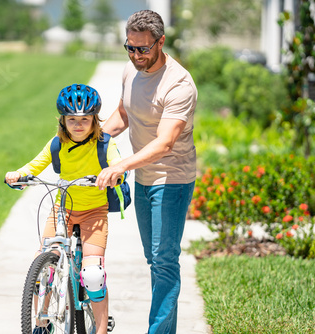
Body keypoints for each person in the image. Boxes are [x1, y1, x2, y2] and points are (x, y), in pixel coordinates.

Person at [95, 9, 198, 334]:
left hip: (172, 179)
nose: (137, 55)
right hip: (144, 177)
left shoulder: (179, 84)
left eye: (144, 49)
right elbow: (124, 114)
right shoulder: (131, 70)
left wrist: (121, 164)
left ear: (160, 42)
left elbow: (165, 142)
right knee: (154, 258)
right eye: (130, 47)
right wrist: (90, 139)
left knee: (164, 261)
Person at [5, 84, 122, 334]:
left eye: (84, 119)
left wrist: (113, 174)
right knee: (42, 269)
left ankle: (100, 329)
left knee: (93, 275)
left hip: (94, 212)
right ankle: (42, 323)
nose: (78, 125)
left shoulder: (104, 143)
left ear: (94, 120)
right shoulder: (57, 143)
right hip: (63, 209)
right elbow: (35, 165)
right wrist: (19, 174)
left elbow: (117, 165)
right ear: (63, 120)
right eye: (72, 119)